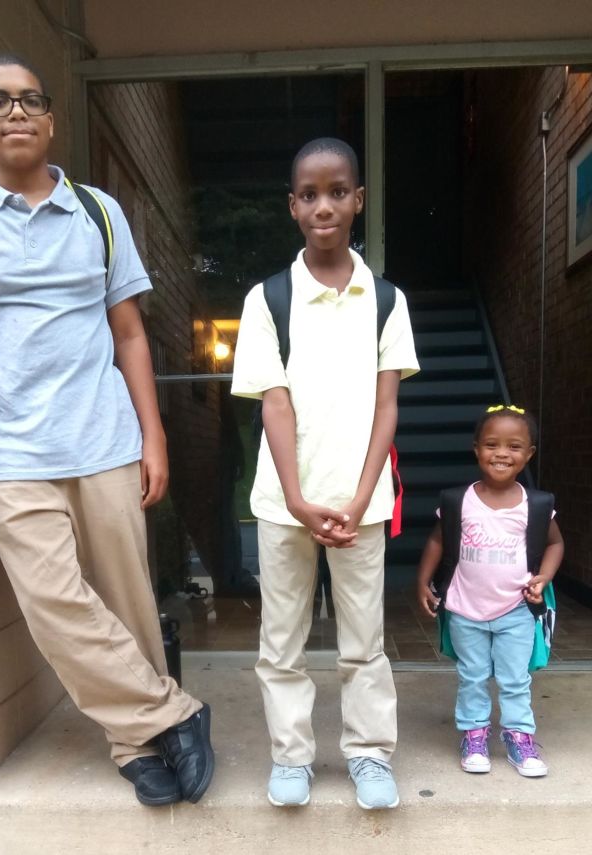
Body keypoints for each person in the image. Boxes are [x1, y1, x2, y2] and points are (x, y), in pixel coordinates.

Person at [0, 53, 214, 807]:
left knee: (128, 603)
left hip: (105, 442)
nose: (17, 111)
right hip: (12, 455)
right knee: (56, 607)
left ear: (51, 119)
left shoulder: (98, 211)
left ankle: (136, 742)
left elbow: (130, 333)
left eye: (31, 100)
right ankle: (173, 712)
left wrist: (154, 436)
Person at [231, 137, 419, 809]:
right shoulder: (268, 299)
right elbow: (274, 404)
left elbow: (387, 405)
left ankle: (369, 753)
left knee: (364, 641)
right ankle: (291, 757)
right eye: (309, 195)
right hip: (285, 506)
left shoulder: (386, 300)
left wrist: (363, 497)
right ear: (292, 206)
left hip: (361, 506)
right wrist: (299, 499)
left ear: (358, 200)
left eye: (338, 192)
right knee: (280, 641)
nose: (324, 206)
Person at [416, 405, 564, 777]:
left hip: (516, 609)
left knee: (516, 679)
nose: (502, 453)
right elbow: (436, 541)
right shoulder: (457, 501)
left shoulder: (536, 505)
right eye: (492, 444)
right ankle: (474, 734)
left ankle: (519, 736)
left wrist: (544, 577)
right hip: (465, 609)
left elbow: (555, 544)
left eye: (514, 446)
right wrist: (422, 581)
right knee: (472, 675)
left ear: (529, 453)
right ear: (477, 449)